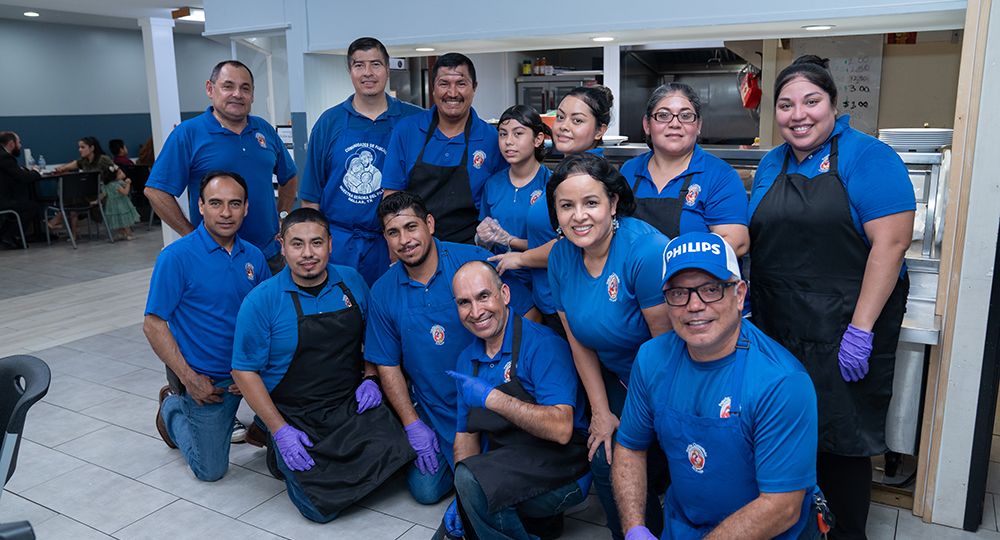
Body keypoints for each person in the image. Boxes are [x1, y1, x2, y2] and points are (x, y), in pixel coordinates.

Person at [748, 55, 915, 540]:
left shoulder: (869, 156)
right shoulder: (770, 163)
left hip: (843, 331)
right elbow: (757, 241)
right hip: (778, 329)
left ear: (834, 106)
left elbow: (892, 244)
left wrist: (860, 330)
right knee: (782, 435)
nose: (798, 114)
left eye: (811, 101)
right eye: (785, 105)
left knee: (840, 444)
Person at [613, 231, 822, 540]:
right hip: (683, 526)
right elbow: (630, 447)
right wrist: (634, 528)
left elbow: (782, 506)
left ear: (739, 295)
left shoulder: (780, 383)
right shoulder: (651, 359)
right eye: (679, 293)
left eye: (711, 289)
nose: (694, 305)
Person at [231, 207, 413, 523]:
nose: (308, 254)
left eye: (316, 243)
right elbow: (243, 371)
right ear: (281, 245)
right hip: (295, 413)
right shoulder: (262, 300)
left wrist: (370, 377)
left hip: (348, 403)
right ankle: (276, 446)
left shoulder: (352, 282)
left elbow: (373, 337)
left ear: (330, 243)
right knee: (319, 509)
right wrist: (280, 428)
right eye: (297, 244)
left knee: (400, 453)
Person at [365, 191, 535, 507]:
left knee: (508, 491)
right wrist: (412, 424)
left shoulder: (472, 260)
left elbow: (527, 313)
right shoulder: (383, 292)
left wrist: (519, 377)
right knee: (426, 491)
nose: (405, 240)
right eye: (393, 232)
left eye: (411, 227)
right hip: (438, 412)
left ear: (429, 224)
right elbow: (386, 364)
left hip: (496, 402)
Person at [546, 152, 671, 540]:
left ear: (613, 203)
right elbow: (578, 341)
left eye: (591, 203)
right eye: (566, 206)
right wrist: (601, 412)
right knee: (606, 457)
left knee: (667, 467)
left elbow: (667, 348)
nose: (578, 216)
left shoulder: (645, 252)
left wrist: (642, 420)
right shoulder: (561, 256)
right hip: (619, 380)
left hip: (671, 381)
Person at [435, 261, 590, 540]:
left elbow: (562, 429)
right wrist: (462, 499)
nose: (476, 311)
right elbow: (466, 437)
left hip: (564, 470)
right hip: (512, 467)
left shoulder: (543, 345)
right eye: (464, 302)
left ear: (504, 294)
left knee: (476, 491)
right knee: (449, 532)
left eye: (484, 296)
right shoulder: (466, 360)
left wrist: (493, 398)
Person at [143, 171, 270, 481]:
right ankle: (172, 409)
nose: (225, 213)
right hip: (208, 381)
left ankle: (260, 428)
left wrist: (259, 370)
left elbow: (270, 319)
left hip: (251, 372)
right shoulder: (176, 258)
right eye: (216, 203)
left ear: (246, 208)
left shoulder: (254, 256)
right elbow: (153, 324)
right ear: (200, 206)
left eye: (234, 204)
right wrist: (188, 379)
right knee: (210, 470)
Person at [145, 60, 298, 274]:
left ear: (252, 95)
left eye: (245, 88)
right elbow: (156, 191)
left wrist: (283, 215)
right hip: (216, 258)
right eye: (228, 86)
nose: (237, 94)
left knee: (273, 308)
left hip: (269, 256)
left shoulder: (263, 129)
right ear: (210, 88)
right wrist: (192, 236)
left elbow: (289, 176)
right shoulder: (188, 134)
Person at [489, 86, 615, 334]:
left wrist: (520, 257)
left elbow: (572, 243)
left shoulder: (590, 175)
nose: (564, 126)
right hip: (552, 299)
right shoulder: (565, 171)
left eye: (577, 120)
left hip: (576, 301)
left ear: (600, 130)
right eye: (560, 117)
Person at [299, 37, 423, 286]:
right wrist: (315, 246)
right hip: (339, 245)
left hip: (396, 243)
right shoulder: (329, 122)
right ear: (350, 71)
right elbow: (310, 199)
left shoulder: (414, 120)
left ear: (388, 69)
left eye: (376, 64)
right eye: (359, 65)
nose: (368, 73)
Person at [382, 53, 504, 243]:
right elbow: (391, 199)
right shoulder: (408, 130)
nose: (452, 93)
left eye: (461, 84)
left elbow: (500, 203)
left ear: (474, 87)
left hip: (471, 250)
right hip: (415, 248)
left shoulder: (491, 139)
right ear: (433, 88)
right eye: (444, 83)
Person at [618, 83, 749, 251]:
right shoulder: (629, 170)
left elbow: (737, 242)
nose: (675, 123)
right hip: (634, 275)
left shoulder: (720, 175)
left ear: (698, 125)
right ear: (647, 125)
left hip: (694, 275)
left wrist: (682, 267)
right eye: (663, 115)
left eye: (686, 116)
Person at [475, 104, 551, 293]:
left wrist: (510, 240)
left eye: (518, 134)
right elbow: (486, 237)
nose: (508, 141)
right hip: (502, 280)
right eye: (502, 134)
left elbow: (559, 246)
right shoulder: (492, 184)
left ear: (538, 139)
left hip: (543, 283)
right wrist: (482, 238)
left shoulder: (551, 184)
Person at [49, 136, 116, 235]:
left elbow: (117, 173)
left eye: (82, 147)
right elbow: (74, 164)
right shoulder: (84, 161)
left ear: (92, 148)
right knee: (72, 195)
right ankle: (71, 229)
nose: (79, 150)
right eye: (79, 147)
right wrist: (62, 169)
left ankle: (60, 220)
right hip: (88, 194)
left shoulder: (103, 159)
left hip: (102, 193)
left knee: (72, 196)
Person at [0, 131, 41, 249]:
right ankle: (9, 236)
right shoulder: (5, 157)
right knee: (31, 206)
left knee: (20, 206)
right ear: (11, 144)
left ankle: (5, 235)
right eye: (19, 142)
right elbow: (23, 178)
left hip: (5, 197)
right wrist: (35, 172)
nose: (20, 145)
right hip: (3, 200)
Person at [101, 164, 141, 240]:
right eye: (119, 173)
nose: (122, 173)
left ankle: (121, 232)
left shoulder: (108, 185)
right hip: (121, 204)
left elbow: (103, 194)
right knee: (124, 219)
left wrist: (97, 200)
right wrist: (128, 184)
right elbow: (125, 192)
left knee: (117, 219)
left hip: (111, 205)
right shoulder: (116, 185)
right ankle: (128, 233)